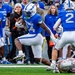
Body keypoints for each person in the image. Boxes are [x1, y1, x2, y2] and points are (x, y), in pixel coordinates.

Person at [50, 4, 75, 72]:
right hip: (74, 34)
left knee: (55, 48)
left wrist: (59, 30)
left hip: (65, 34)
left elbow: (55, 27)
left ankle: (53, 64)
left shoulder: (62, 13)